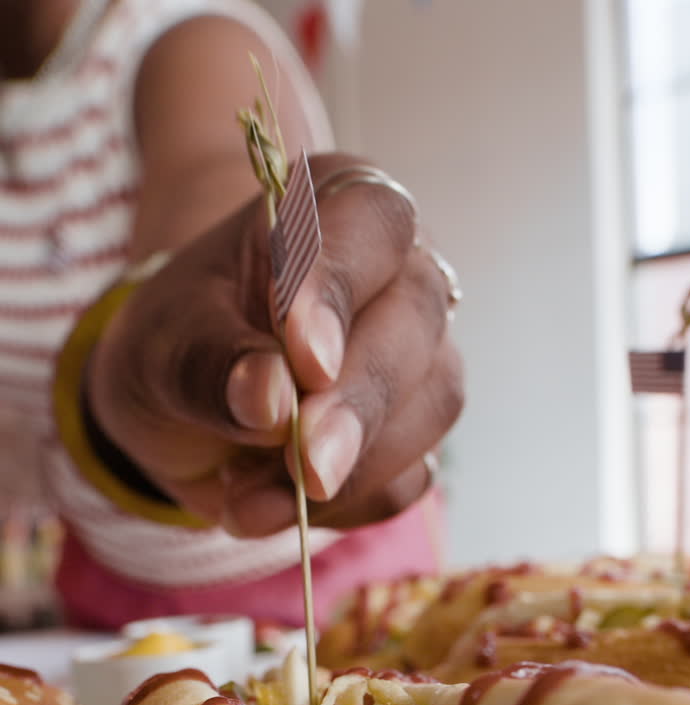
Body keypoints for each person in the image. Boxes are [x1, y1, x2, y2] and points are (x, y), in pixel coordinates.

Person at [0, 0, 464, 631]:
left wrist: (180, 344)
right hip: (109, 603)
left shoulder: (186, 47)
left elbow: (214, 213)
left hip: (329, 601)